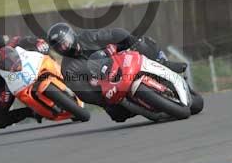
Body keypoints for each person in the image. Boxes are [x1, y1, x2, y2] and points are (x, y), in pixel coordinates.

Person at [46, 23, 203, 122]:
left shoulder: (87, 37)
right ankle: (149, 108)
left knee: (142, 44)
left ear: (71, 36)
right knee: (117, 114)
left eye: (65, 42)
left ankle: (164, 64)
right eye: (60, 47)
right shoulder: (68, 68)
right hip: (109, 89)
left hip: (121, 63)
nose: (65, 47)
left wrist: (125, 42)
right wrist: (101, 93)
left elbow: (113, 34)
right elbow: (84, 94)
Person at [0, 33, 50, 128]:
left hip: (22, 67)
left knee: (45, 55)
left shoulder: (2, 42)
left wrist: (37, 42)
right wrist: (1, 95)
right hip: (5, 86)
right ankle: (33, 112)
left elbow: (21, 40)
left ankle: (62, 79)